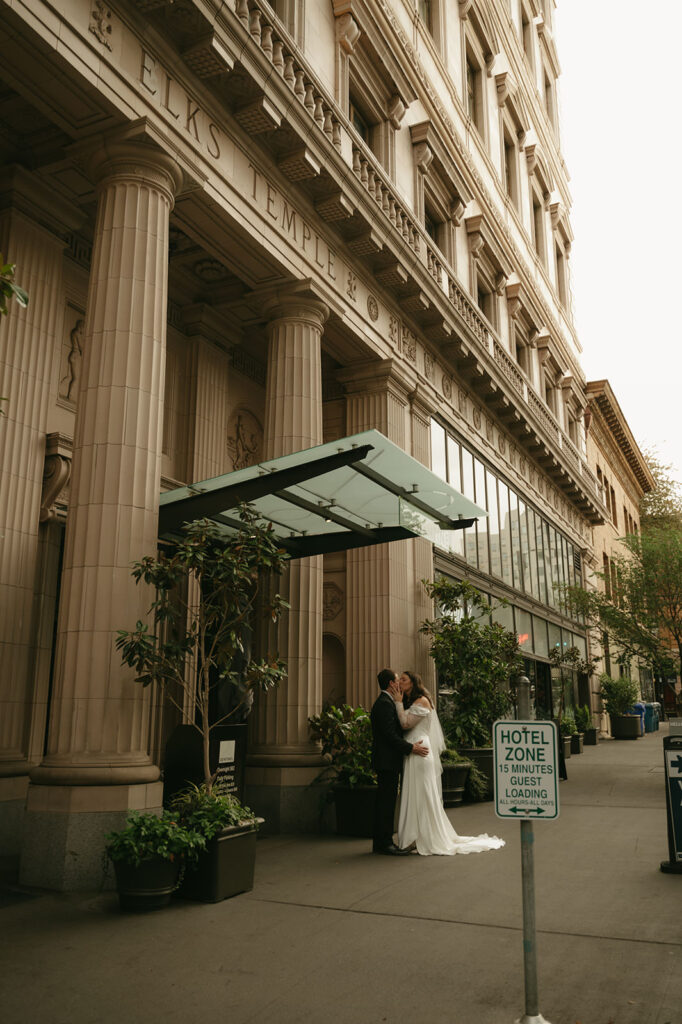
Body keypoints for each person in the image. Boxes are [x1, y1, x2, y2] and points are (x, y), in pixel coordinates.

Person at [394, 671, 506, 857]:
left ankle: (425, 836)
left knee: (422, 794)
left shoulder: (421, 701)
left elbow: (405, 724)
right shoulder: (412, 702)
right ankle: (414, 836)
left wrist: (398, 702)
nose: (400, 683)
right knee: (415, 794)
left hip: (420, 750)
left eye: (404, 680)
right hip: (413, 750)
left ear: (413, 683)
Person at [370, 668, 428, 855]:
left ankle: (382, 842)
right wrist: (410, 748)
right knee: (385, 803)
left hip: (388, 760)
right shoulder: (385, 704)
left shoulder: (387, 702)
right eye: (397, 680)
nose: (399, 683)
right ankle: (384, 844)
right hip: (387, 761)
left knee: (386, 802)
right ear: (391, 684)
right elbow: (390, 735)